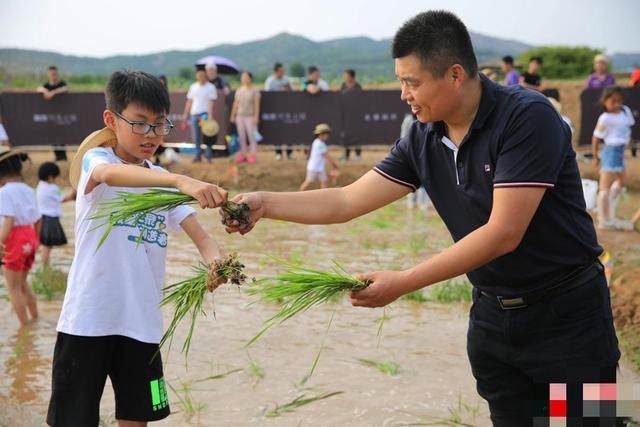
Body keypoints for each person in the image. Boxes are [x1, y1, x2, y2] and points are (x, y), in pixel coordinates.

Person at [222, 10, 620, 425]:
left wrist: (404, 282)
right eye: (400, 82)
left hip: (568, 317)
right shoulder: (421, 136)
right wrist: (266, 204)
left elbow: (504, 233)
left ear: (454, 74)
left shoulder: (525, 116)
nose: (404, 95)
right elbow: (345, 201)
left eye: (412, 82)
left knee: (586, 421)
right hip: (492, 317)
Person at [47, 70, 229, 427]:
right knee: (71, 420)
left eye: (161, 126)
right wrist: (179, 179)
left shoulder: (161, 184)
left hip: (143, 326)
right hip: (87, 320)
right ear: (111, 120)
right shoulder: (96, 162)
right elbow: (109, 176)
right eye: (141, 124)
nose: (152, 135)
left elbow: (203, 239)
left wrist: (217, 264)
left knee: (139, 418)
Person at [0, 147, 40, 326]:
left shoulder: (4, 192)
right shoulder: (29, 189)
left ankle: (24, 329)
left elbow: (9, 219)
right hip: (30, 236)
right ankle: (35, 318)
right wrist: (36, 240)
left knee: (13, 288)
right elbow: (38, 219)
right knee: (23, 284)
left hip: (14, 238)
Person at [592, 86, 635, 230]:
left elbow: (628, 130)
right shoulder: (604, 118)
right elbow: (596, 137)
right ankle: (603, 221)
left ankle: (609, 209)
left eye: (619, 101)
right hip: (610, 151)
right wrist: (596, 156)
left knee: (621, 182)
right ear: (604, 101)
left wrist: (628, 148)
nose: (617, 104)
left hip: (621, 151)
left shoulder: (625, 111)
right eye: (613, 101)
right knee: (604, 188)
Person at [36, 162, 74, 266]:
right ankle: (45, 267)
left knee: (45, 244)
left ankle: (44, 266)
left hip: (42, 217)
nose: (56, 179)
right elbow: (65, 198)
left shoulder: (40, 186)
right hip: (50, 219)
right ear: (50, 177)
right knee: (47, 245)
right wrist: (75, 190)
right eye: (55, 177)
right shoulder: (52, 188)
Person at [182, 66, 217, 163]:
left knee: (207, 135)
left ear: (205, 75)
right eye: (198, 75)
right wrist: (185, 114)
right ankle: (198, 155)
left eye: (202, 75)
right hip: (194, 114)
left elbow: (211, 102)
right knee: (196, 136)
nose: (200, 77)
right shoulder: (193, 86)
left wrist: (210, 115)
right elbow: (189, 101)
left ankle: (208, 155)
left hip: (204, 114)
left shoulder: (210, 87)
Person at [37, 66, 69, 161]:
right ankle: (58, 156)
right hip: (50, 115)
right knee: (53, 134)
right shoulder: (46, 85)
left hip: (62, 114)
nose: (53, 75)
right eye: (51, 74)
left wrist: (53, 92)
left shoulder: (61, 83)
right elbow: (38, 89)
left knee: (62, 134)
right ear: (49, 74)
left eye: (54, 73)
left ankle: (63, 156)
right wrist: (45, 91)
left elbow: (65, 88)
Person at [230, 71, 261, 165]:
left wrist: (256, 117)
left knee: (251, 136)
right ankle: (243, 154)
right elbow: (236, 104)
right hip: (240, 116)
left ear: (250, 78)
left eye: (246, 77)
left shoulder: (254, 91)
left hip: (250, 116)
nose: (244, 79)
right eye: (243, 77)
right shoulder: (239, 90)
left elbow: (257, 105)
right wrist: (233, 115)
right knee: (241, 136)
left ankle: (253, 155)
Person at [265, 62, 294, 161]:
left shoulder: (286, 79)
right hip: (275, 110)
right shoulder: (270, 81)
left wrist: (288, 89)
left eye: (283, 70)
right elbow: (268, 96)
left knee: (289, 130)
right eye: (281, 71)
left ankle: (289, 153)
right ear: (276, 71)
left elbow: (292, 92)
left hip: (287, 109)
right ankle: (278, 153)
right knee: (277, 132)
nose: (283, 72)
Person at [299, 123, 339, 191]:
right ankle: (298, 194)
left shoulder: (319, 142)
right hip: (314, 167)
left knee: (324, 182)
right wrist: (335, 164)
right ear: (321, 134)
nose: (327, 136)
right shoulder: (319, 144)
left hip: (319, 167)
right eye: (326, 134)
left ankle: (324, 197)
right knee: (308, 182)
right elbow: (327, 155)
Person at [341, 68, 363, 161]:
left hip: (356, 115)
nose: (345, 77)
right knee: (346, 135)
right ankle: (346, 155)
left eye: (346, 76)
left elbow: (361, 99)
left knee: (357, 134)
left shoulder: (358, 86)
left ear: (351, 76)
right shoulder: (343, 85)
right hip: (346, 115)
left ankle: (358, 154)